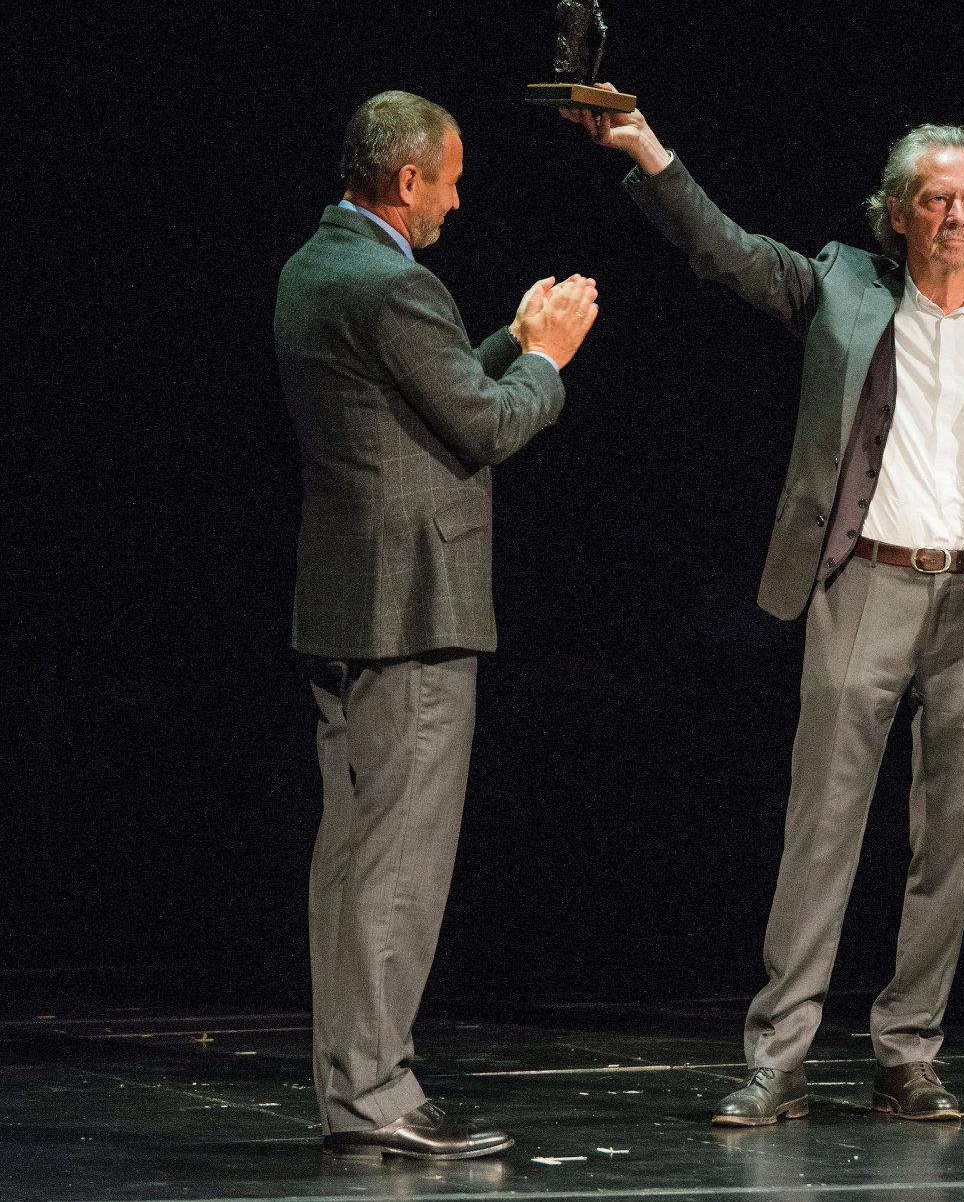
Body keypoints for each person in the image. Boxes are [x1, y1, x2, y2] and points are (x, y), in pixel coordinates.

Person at [564, 91, 964, 1124]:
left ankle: (908, 1055)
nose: (952, 217)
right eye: (931, 199)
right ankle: (779, 1057)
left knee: (950, 843)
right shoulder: (841, 286)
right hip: (865, 584)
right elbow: (723, 249)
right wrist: (649, 151)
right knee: (823, 829)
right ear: (894, 212)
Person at [275, 90, 599, 1158]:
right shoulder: (396, 283)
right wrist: (548, 357)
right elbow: (482, 423)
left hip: (343, 603)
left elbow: (425, 392)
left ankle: (350, 1092)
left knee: (349, 861)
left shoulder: (316, 267)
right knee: (398, 865)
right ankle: (379, 1096)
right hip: (411, 609)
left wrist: (507, 330)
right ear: (407, 180)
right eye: (449, 180)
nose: (458, 201)